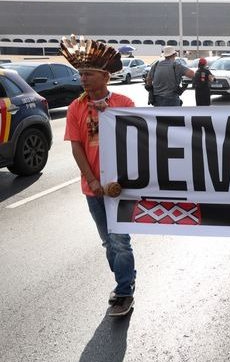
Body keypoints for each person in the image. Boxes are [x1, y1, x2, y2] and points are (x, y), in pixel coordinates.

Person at [61, 39, 137, 317]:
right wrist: (91, 180)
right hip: (93, 189)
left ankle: (124, 290)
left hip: (120, 189)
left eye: (88, 73)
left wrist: (114, 116)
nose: (83, 79)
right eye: (81, 74)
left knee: (120, 241)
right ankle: (123, 279)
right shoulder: (75, 107)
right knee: (108, 242)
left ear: (105, 76)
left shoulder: (124, 103)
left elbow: (138, 140)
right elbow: (76, 146)